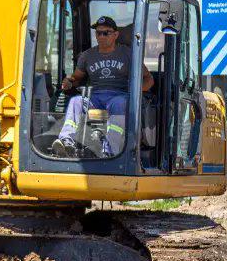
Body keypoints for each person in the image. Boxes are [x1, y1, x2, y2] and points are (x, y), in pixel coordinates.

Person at [52, 16, 154, 157]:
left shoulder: (128, 54)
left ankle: (110, 150)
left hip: (119, 95)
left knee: (119, 103)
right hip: (95, 97)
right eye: (98, 33)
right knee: (76, 101)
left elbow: (149, 79)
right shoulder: (87, 56)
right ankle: (66, 141)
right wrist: (69, 81)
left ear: (116, 35)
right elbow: (76, 78)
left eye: (106, 33)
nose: (101, 36)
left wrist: (136, 91)